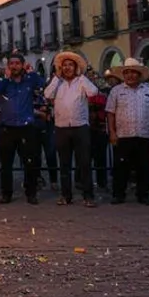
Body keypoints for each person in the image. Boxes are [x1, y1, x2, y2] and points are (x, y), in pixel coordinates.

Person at [43, 51, 99, 207]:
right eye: (65, 65)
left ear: (75, 67)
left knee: (84, 163)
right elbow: (47, 94)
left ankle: (88, 196)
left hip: (80, 127)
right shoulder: (57, 82)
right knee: (64, 164)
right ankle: (66, 195)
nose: (67, 68)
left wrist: (82, 77)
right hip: (61, 128)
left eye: (70, 65)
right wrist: (56, 78)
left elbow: (93, 92)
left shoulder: (81, 81)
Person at [0, 53, 45, 205]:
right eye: (11, 63)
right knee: (6, 163)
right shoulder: (3, 82)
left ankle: (31, 192)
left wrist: (32, 72)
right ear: (8, 66)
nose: (14, 66)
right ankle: (6, 193)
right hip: (7, 128)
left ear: (22, 65)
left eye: (17, 63)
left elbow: (42, 85)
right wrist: (5, 78)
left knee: (30, 162)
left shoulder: (30, 80)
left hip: (26, 127)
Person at [106, 58, 149, 206]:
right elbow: (110, 113)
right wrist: (112, 132)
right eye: (127, 73)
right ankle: (118, 194)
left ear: (139, 74)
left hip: (144, 134)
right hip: (123, 135)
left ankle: (143, 195)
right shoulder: (116, 91)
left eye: (133, 73)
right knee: (121, 167)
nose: (130, 76)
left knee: (144, 167)